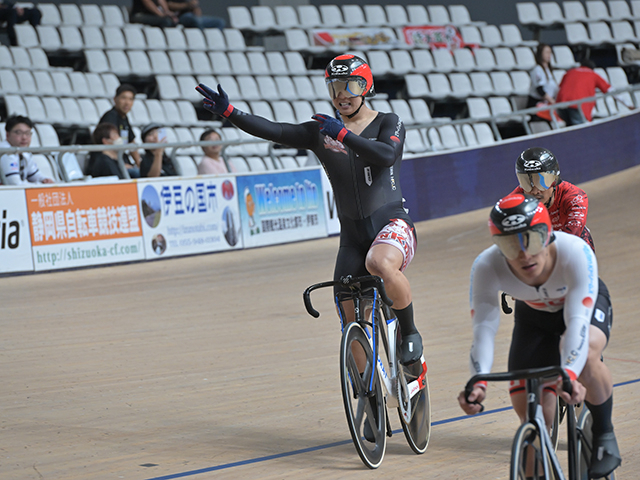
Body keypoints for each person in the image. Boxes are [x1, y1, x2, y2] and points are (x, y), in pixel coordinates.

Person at [196, 54, 424, 368]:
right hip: (353, 236)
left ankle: (410, 332)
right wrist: (230, 112)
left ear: (366, 86)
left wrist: (342, 134)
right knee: (346, 312)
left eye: (349, 85)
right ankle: (368, 392)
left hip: (392, 223)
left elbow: (386, 155)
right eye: (334, 87)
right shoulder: (319, 132)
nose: (341, 93)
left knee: (379, 264)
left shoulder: (388, 121)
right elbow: (273, 130)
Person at [457, 194, 621, 479]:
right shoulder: (486, 265)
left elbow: (577, 323)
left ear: (548, 235)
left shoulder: (575, 251)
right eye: (510, 244)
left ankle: (604, 433)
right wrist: (478, 380)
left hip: (583, 308)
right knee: (533, 418)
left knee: (587, 360)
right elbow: (483, 329)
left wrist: (569, 371)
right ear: (498, 245)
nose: (524, 255)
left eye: (530, 239)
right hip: (534, 320)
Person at [509, 146, 594, 251]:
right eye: (527, 183)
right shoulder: (514, 200)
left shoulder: (574, 196)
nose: (535, 191)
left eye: (542, 183)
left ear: (554, 180)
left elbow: (572, 236)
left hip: (569, 244)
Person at [98, 84, 141, 178]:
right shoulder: (110, 116)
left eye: (131, 99)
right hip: (110, 163)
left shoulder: (124, 118)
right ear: (115, 99)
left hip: (121, 161)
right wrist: (120, 164)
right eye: (123, 98)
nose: (127, 103)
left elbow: (131, 142)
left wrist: (139, 163)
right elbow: (108, 147)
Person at [0, 115, 54, 185]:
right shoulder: (5, 152)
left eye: (27, 133)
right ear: (7, 135)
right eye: (19, 133)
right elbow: (14, 183)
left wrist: (44, 179)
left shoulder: (24, 152)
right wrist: (39, 185)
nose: (24, 137)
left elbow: (34, 174)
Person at [556, 58, 611, 126]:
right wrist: (627, 104)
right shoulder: (593, 74)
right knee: (579, 131)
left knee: (569, 128)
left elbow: (559, 88)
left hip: (561, 105)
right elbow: (610, 90)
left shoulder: (570, 72)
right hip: (576, 106)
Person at [130, 0, 225, 29]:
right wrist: (161, 14)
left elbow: (162, 2)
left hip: (154, 15)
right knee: (167, 21)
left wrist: (167, 12)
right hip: (140, 15)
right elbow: (148, 3)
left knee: (220, 22)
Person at [527, 43, 559, 122]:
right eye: (546, 52)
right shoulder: (537, 69)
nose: (549, 55)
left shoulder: (549, 70)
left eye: (550, 52)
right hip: (537, 104)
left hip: (548, 103)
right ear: (540, 54)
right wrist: (552, 101)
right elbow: (540, 89)